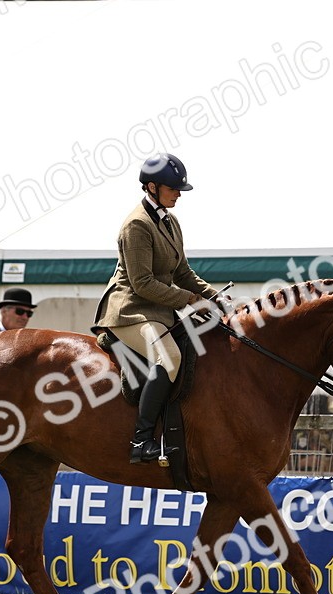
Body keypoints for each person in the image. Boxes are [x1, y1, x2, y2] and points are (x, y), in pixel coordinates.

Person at [92, 153, 222, 465]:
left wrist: (216, 297)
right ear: (151, 187)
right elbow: (143, 284)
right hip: (130, 310)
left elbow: (183, 274)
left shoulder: (170, 221)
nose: (179, 193)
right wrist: (190, 301)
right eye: (173, 188)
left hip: (159, 311)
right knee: (170, 357)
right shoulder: (137, 224)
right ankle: (141, 439)